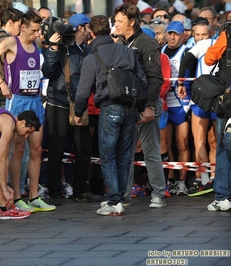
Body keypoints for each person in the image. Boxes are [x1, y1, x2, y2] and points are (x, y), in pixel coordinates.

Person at [0, 10, 56, 212]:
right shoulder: (10, 43)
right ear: (22, 27)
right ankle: (16, 196)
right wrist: (1, 84)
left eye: (39, 30)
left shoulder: (36, 44)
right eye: (34, 30)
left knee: (37, 150)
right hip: (18, 100)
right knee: (18, 150)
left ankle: (34, 196)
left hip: (35, 99)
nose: (37, 34)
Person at [74, 15, 146, 216]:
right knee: (124, 156)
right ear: (110, 30)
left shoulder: (92, 58)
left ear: (92, 33)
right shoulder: (127, 52)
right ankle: (120, 198)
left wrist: (79, 113)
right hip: (130, 108)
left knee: (108, 157)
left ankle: (114, 201)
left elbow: (82, 92)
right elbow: (142, 81)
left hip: (109, 108)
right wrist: (141, 106)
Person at [42, 13, 102, 206]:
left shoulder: (86, 49)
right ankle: (55, 191)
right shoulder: (61, 47)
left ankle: (80, 191)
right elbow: (48, 72)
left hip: (79, 104)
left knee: (84, 150)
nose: (90, 31)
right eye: (88, 26)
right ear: (81, 28)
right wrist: (52, 48)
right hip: (58, 102)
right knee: (56, 150)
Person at [114, 4, 166, 208]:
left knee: (151, 151)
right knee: (125, 151)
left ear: (132, 22)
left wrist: (151, 106)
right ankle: (123, 195)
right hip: (127, 105)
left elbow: (156, 77)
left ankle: (159, 194)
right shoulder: (120, 43)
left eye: (119, 21)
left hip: (145, 104)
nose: (116, 25)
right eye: (115, 21)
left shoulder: (146, 43)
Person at [177, 21, 216, 196]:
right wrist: (181, 82)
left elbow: (185, 61)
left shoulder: (211, 45)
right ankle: (206, 180)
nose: (200, 38)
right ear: (193, 34)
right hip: (200, 99)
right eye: (197, 35)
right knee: (199, 140)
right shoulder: (198, 46)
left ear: (211, 33)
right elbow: (186, 63)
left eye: (204, 35)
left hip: (215, 99)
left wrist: (179, 82)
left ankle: (214, 179)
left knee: (214, 142)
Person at [161, 21, 191, 196]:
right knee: (166, 145)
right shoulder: (161, 51)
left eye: (176, 34)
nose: (172, 37)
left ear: (183, 36)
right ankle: (170, 180)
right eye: (170, 33)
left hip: (181, 103)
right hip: (165, 101)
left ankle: (182, 181)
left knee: (182, 143)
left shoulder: (186, 52)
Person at [205, 21, 231, 211]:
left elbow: (208, 59)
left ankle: (223, 195)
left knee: (223, 145)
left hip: (228, 99)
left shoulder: (227, 35)